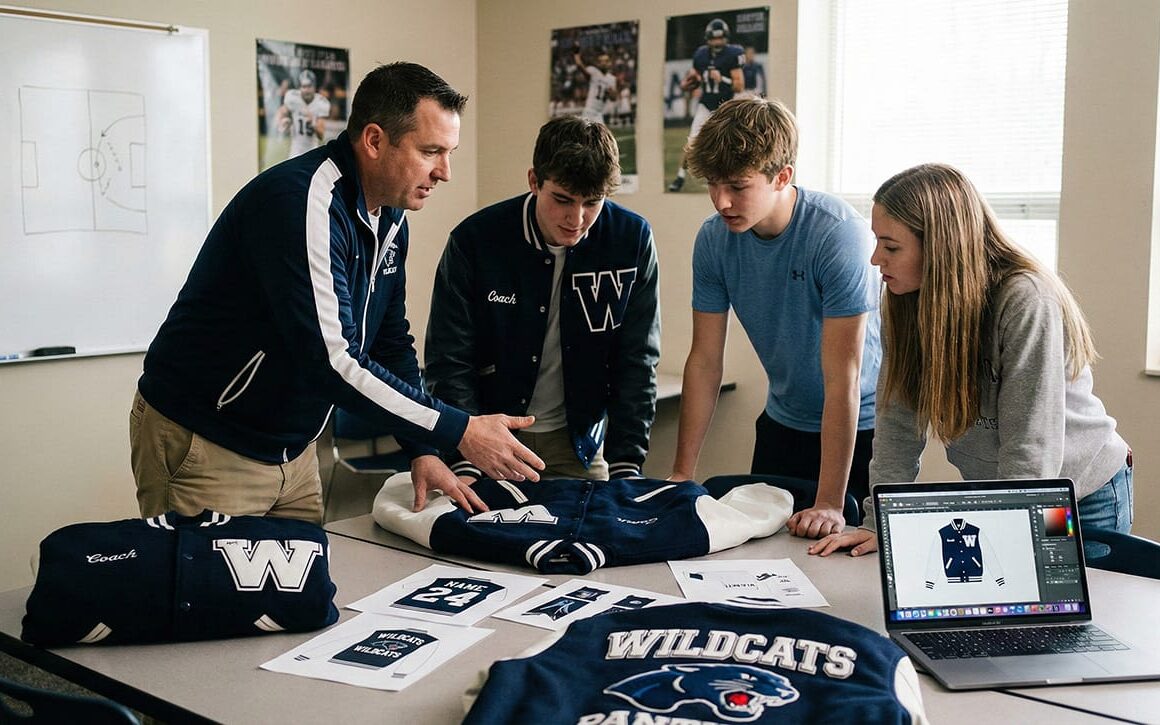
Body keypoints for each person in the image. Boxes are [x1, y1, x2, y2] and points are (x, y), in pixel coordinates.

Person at [131, 62, 545, 525]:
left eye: (449, 153)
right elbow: (333, 360)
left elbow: (390, 342)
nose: (444, 172)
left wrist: (423, 448)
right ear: (373, 141)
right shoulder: (301, 202)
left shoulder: (390, 216)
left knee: (299, 592)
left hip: (293, 451)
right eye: (431, 151)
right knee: (213, 594)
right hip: (209, 442)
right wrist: (458, 429)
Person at [808, 163, 1133, 558]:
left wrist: (1008, 535)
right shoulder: (904, 300)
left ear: (940, 246)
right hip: (1005, 491)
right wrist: (882, 525)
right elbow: (897, 428)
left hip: (1078, 494)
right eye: (877, 242)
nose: (876, 259)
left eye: (891, 246)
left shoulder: (1025, 299)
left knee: (1065, 617)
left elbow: (1030, 447)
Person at [669, 97, 881, 540]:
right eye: (712, 184)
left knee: (842, 566)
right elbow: (705, 361)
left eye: (738, 186)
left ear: (782, 177)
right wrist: (681, 475)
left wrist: (829, 502)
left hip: (861, 427)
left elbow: (843, 376)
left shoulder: (837, 234)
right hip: (782, 422)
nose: (721, 201)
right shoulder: (713, 240)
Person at [425, 116, 660, 482]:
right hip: (487, 442)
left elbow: (637, 361)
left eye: (593, 203)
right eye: (563, 200)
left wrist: (627, 464)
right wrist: (465, 456)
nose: (577, 219)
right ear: (534, 181)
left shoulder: (631, 240)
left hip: (578, 446)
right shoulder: (476, 241)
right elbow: (449, 358)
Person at [667, 18, 745, 193]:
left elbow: (739, 85)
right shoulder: (701, 54)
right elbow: (693, 76)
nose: (717, 42)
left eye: (720, 38)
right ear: (708, 39)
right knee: (692, 141)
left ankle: (730, 179)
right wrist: (687, 83)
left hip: (726, 106)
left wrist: (722, 79)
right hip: (706, 103)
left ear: (726, 38)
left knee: (728, 145)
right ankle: (680, 177)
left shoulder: (733, 53)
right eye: (714, 39)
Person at [276, 69, 331, 158]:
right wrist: (282, 122)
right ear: (299, 87)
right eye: (303, 86)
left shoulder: (321, 103)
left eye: (309, 86)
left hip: (312, 150)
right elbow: (282, 112)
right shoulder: (292, 97)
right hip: (295, 151)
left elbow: (321, 135)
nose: (306, 90)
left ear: (314, 87)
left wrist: (312, 122)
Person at [571, 46, 618, 125]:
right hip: (589, 110)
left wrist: (611, 93)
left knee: (599, 135)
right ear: (598, 63)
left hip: (599, 113)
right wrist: (576, 54)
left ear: (610, 63)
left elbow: (613, 98)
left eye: (606, 61)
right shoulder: (594, 72)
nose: (603, 63)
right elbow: (580, 66)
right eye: (601, 61)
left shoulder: (612, 79)